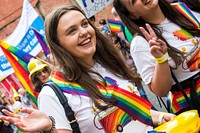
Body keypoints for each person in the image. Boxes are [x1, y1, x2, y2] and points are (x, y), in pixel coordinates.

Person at [0, 4, 175, 133]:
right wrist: (51, 128)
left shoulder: (110, 66)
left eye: (84, 24)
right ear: (58, 45)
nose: (83, 32)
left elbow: (133, 114)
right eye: (71, 31)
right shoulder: (52, 94)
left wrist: (158, 117)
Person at [113, 0, 200, 115]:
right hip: (193, 103)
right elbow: (161, 91)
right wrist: (161, 59)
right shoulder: (140, 43)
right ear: (132, 15)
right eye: (134, 0)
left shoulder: (182, 8)